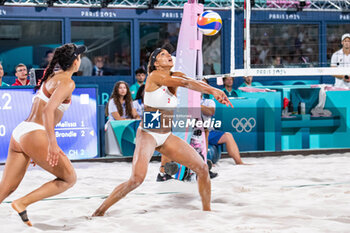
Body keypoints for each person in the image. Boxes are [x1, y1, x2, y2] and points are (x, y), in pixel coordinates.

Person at [92, 45, 232, 216]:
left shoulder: (175, 75)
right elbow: (185, 83)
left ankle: (207, 212)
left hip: (165, 135)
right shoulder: (154, 76)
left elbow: (190, 82)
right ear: (156, 63)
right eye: (163, 55)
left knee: (202, 168)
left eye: (169, 54)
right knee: (136, 180)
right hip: (148, 134)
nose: (168, 56)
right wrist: (214, 90)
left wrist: (211, 90)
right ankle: (99, 211)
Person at [0, 44, 86, 226]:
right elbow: (48, 111)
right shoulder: (67, 82)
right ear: (74, 61)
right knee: (69, 178)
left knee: (5, 188)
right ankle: (22, 203)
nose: (80, 59)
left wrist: (35, 147)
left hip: (22, 131)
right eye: (79, 56)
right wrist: (51, 144)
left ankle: (20, 203)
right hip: (34, 133)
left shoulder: (53, 76)